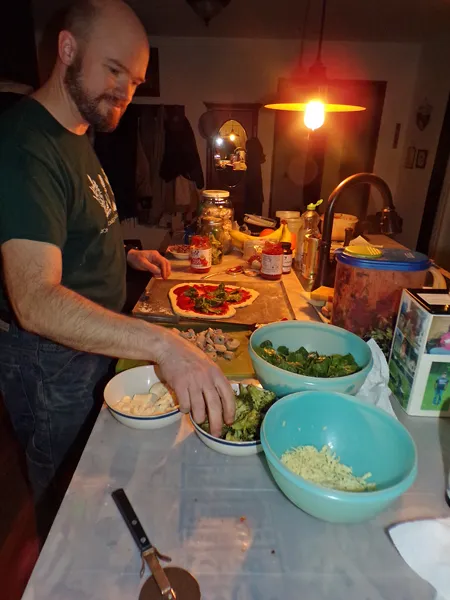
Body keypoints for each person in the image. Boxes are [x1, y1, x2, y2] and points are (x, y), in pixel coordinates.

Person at [0, 0, 234, 536]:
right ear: (67, 49)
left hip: (91, 344)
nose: (126, 91)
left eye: (135, 79)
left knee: (105, 479)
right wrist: (162, 344)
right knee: (70, 499)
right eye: (114, 70)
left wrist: (126, 254)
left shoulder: (77, 134)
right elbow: (34, 299)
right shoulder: (25, 144)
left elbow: (74, 226)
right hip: (50, 357)